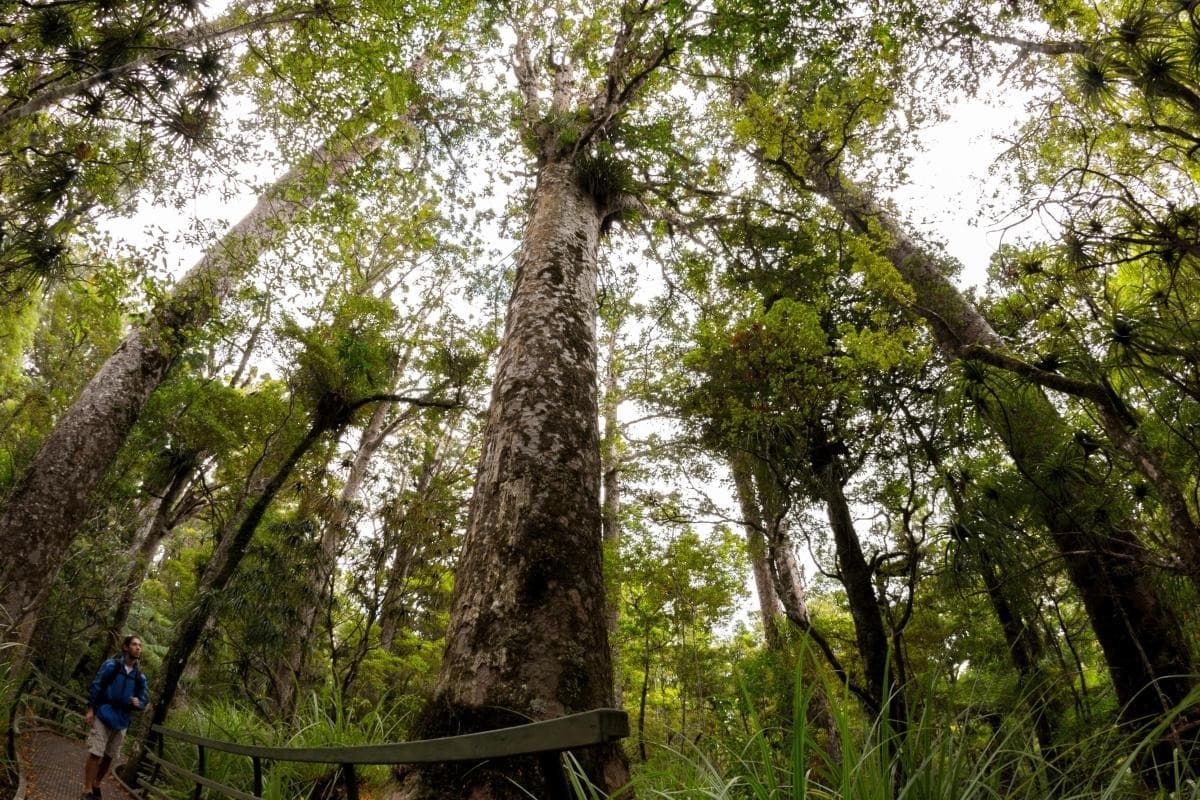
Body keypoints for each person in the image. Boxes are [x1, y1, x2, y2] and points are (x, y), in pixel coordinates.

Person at [81, 635, 148, 800]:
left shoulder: (140, 677)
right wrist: (90, 709)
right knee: (96, 753)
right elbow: (97, 685)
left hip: (122, 719)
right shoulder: (111, 666)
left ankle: (97, 784)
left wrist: (138, 702)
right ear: (125, 647)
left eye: (140, 645)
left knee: (109, 756)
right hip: (104, 713)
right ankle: (87, 789)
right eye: (134, 644)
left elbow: (143, 699)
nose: (138, 648)